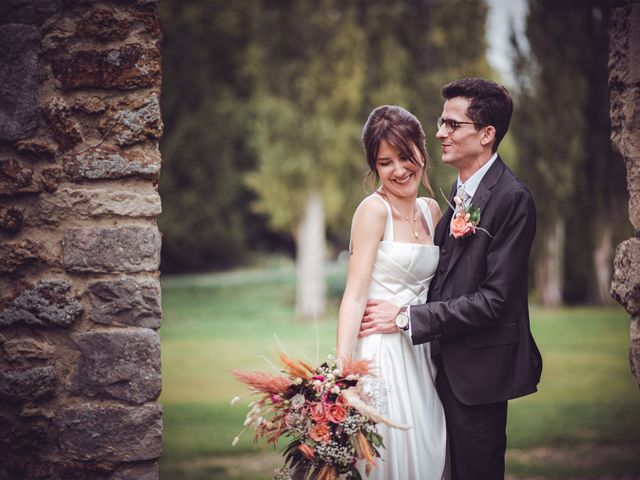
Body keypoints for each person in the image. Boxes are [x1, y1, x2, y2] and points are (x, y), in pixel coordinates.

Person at [359, 78, 543, 480]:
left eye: (452, 124)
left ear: (487, 134)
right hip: (429, 370)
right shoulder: (456, 195)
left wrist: (407, 317)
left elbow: (494, 300)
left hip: (479, 378)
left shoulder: (512, 198)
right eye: (441, 123)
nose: (440, 133)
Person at [336, 105, 448, 479]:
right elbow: (354, 295)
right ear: (375, 167)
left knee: (430, 452)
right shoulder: (373, 211)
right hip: (382, 358)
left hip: (423, 353)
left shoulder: (433, 212)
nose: (399, 170)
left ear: (422, 150)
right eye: (386, 163)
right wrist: (342, 374)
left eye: (405, 156)